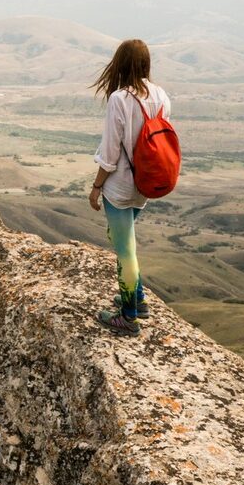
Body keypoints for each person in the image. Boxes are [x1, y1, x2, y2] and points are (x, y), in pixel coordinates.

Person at [87, 39, 170, 336]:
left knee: (125, 250)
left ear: (120, 64)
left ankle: (128, 317)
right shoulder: (161, 95)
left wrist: (96, 187)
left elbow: (110, 153)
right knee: (124, 240)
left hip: (120, 185)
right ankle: (137, 298)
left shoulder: (119, 99)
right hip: (144, 184)